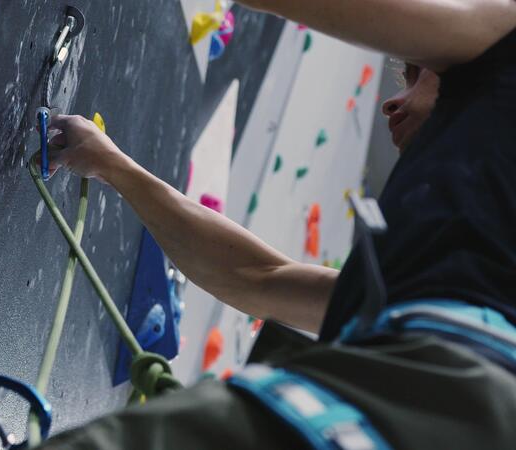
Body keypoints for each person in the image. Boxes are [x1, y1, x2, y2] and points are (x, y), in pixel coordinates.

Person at [36, 1, 516, 448]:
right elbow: (257, 278)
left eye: (415, 76)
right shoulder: (435, 273)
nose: (393, 102)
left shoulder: (504, 47)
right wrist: (112, 165)